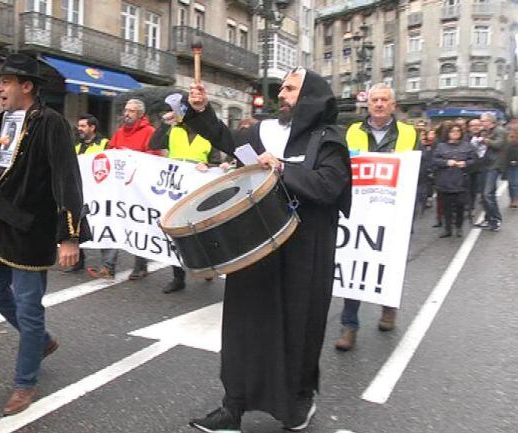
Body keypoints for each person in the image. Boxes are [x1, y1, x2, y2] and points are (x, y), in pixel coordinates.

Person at [183, 68, 352, 432]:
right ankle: (233, 407)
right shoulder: (263, 131)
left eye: (291, 89)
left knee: (297, 329)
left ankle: (296, 402)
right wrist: (200, 110)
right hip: (257, 246)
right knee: (244, 326)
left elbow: (329, 186)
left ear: (310, 96)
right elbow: (225, 138)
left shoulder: (328, 139)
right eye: (283, 89)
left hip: (304, 253)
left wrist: (281, 170)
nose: (283, 95)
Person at [0, 53, 89, 416]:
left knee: (28, 308)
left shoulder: (51, 124)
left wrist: (70, 236)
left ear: (27, 86)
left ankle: (24, 383)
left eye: (5, 82)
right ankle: (43, 342)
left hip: (32, 230)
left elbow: (67, 178)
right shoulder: (2, 120)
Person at [335, 83, 418, 352]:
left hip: (394, 209)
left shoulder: (408, 133)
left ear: (393, 105)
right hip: (360, 208)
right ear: (367, 104)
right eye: (375, 100)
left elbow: (418, 168)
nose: (379, 104)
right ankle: (349, 326)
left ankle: (388, 308)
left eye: (384, 100)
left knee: (388, 262)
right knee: (355, 263)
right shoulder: (353, 131)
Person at [148, 107, 223, 293]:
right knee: (177, 234)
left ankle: (207, 266)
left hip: (198, 192)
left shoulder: (208, 135)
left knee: (202, 233)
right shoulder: (173, 130)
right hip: (175, 190)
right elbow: (153, 144)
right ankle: (178, 278)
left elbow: (216, 162)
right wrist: (165, 124)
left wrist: (208, 165)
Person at [93, 98, 155, 281]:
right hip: (118, 188)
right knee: (112, 223)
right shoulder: (119, 132)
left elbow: (153, 158)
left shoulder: (149, 132)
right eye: (126, 110)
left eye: (131, 111)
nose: (126, 114)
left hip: (138, 189)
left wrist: (132, 158)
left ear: (140, 115)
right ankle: (108, 267)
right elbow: (110, 152)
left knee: (137, 227)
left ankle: (140, 266)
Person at [64, 114, 108, 274]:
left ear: (92, 127)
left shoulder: (105, 144)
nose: (79, 129)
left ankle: (107, 266)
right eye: (79, 126)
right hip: (80, 191)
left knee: (102, 224)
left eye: (83, 126)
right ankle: (78, 261)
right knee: (77, 224)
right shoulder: (77, 146)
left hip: (99, 193)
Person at [433, 123, 475, 238]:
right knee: (446, 207)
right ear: (448, 133)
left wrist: (465, 163)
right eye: (452, 131)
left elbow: (474, 160)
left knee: (460, 206)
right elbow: (435, 160)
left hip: (461, 181)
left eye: (458, 131)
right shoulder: (441, 146)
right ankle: (447, 229)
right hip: (445, 181)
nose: (455, 133)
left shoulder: (467, 146)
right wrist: (446, 162)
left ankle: (459, 227)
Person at [475, 112, 506, 231]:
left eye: (483, 121)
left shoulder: (499, 130)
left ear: (491, 121)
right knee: (483, 194)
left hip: (494, 166)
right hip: (485, 165)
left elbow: (498, 144)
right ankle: (489, 218)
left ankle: (496, 219)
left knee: (488, 193)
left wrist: (484, 140)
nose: (481, 123)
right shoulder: (486, 131)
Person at [505, 124, 518, 208]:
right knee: (510, 183)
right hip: (508, 164)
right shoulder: (507, 140)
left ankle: (515, 199)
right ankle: (512, 199)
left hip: (516, 163)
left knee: (515, 183)